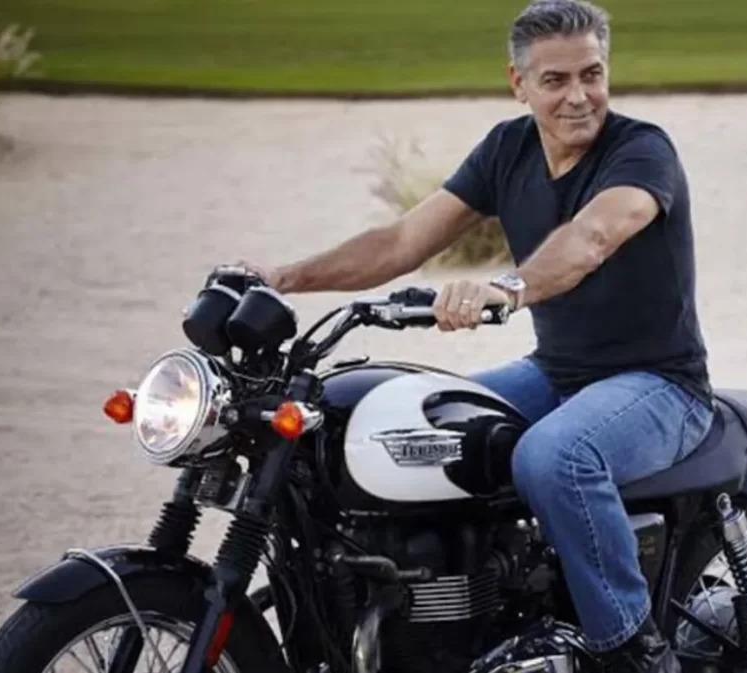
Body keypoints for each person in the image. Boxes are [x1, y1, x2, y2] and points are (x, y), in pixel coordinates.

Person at [240, 1, 714, 671]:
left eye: (593, 74)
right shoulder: (507, 148)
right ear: (518, 83)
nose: (579, 96)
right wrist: (282, 275)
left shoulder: (641, 149)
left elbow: (592, 236)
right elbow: (404, 240)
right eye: (555, 80)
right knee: (400, 428)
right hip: (558, 372)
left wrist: (506, 288)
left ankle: (634, 650)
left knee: (554, 458)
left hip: (660, 383)